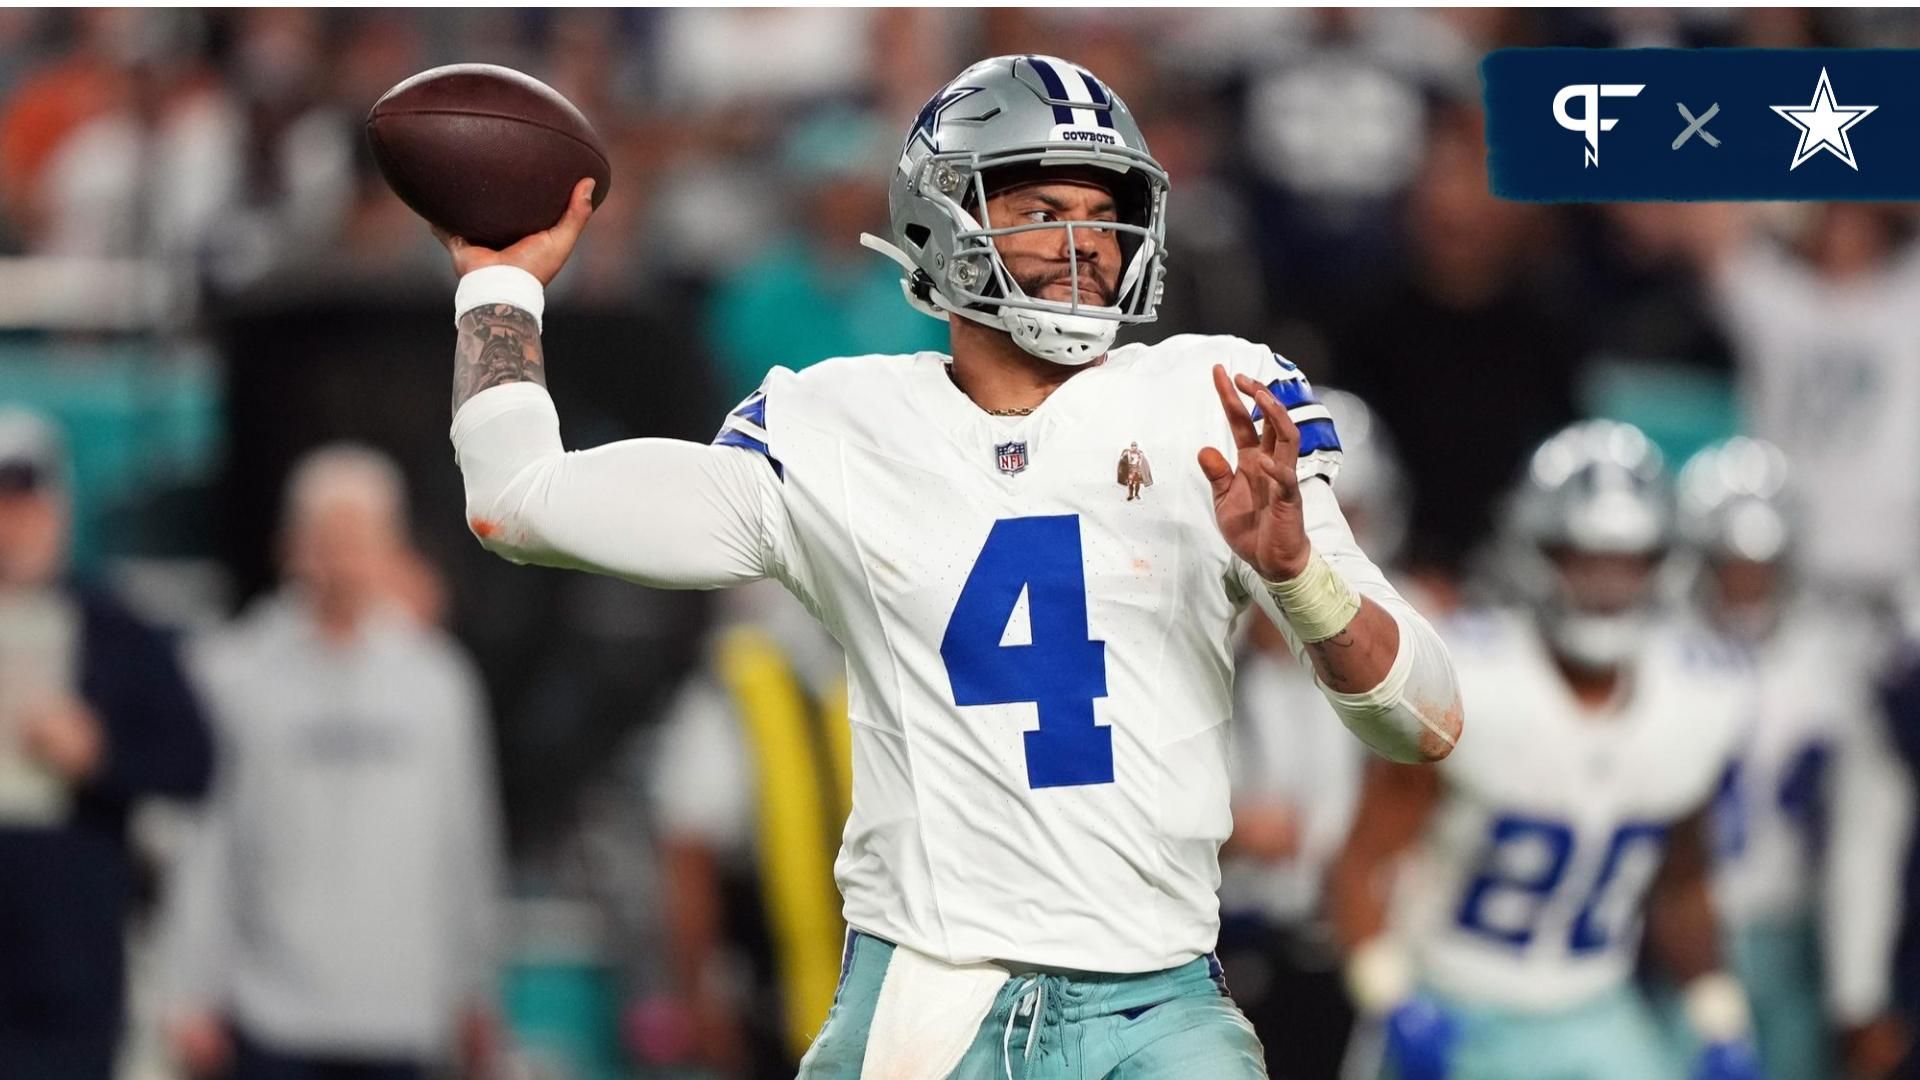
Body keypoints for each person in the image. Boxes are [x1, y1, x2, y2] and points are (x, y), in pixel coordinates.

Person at [439, 54, 1461, 1077]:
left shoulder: (1215, 400)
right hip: (926, 1004)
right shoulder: (836, 425)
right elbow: (519, 502)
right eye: (1043, 208)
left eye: (1105, 215)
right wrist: (499, 286)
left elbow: (1423, 722)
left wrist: (1296, 575)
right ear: (942, 221)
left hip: (1162, 1002)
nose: (1087, 246)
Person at [1328, 421, 1760, 1080]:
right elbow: (1363, 860)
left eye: (1629, 561)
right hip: (1456, 1003)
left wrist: (1716, 1014)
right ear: (1536, 555)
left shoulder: (1696, 695)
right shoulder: (1466, 679)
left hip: (1594, 1007)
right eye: (1583, 559)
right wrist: (1391, 997)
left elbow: (1679, 882)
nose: (1607, 585)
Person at [159, 444, 504, 1080]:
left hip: (403, 1020)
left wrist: (475, 990)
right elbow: (204, 841)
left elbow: (465, 842)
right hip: (270, 1016)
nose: (342, 558)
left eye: (359, 537)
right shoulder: (232, 672)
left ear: (390, 546)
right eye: (327, 537)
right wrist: (188, 989)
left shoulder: (437, 683)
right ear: (293, 544)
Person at [1677, 438, 1915, 1080]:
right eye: (1731, 564)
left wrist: (1858, 992)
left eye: (1762, 565)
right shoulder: (1659, 652)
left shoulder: (1834, 665)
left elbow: (1866, 837)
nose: (1747, 583)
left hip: (1794, 924)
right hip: (1678, 927)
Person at [0, 407, 214, 1080]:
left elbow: (195, 762)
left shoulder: (115, 628)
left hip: (69, 969)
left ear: (59, 509)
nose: (14, 525)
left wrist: (98, 755)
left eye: (27, 504)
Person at [1216, 389, 1416, 1080]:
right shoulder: (1201, 636)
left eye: (1344, 518)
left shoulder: (1414, 655)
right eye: (1297, 510)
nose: (1317, 540)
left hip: (1365, 951)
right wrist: (1221, 825)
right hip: (1222, 952)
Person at [646, 580, 851, 1077]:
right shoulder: (854, 682)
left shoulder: (721, 697)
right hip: (853, 1002)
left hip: (786, 1013)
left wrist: (699, 996)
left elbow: (688, 860)